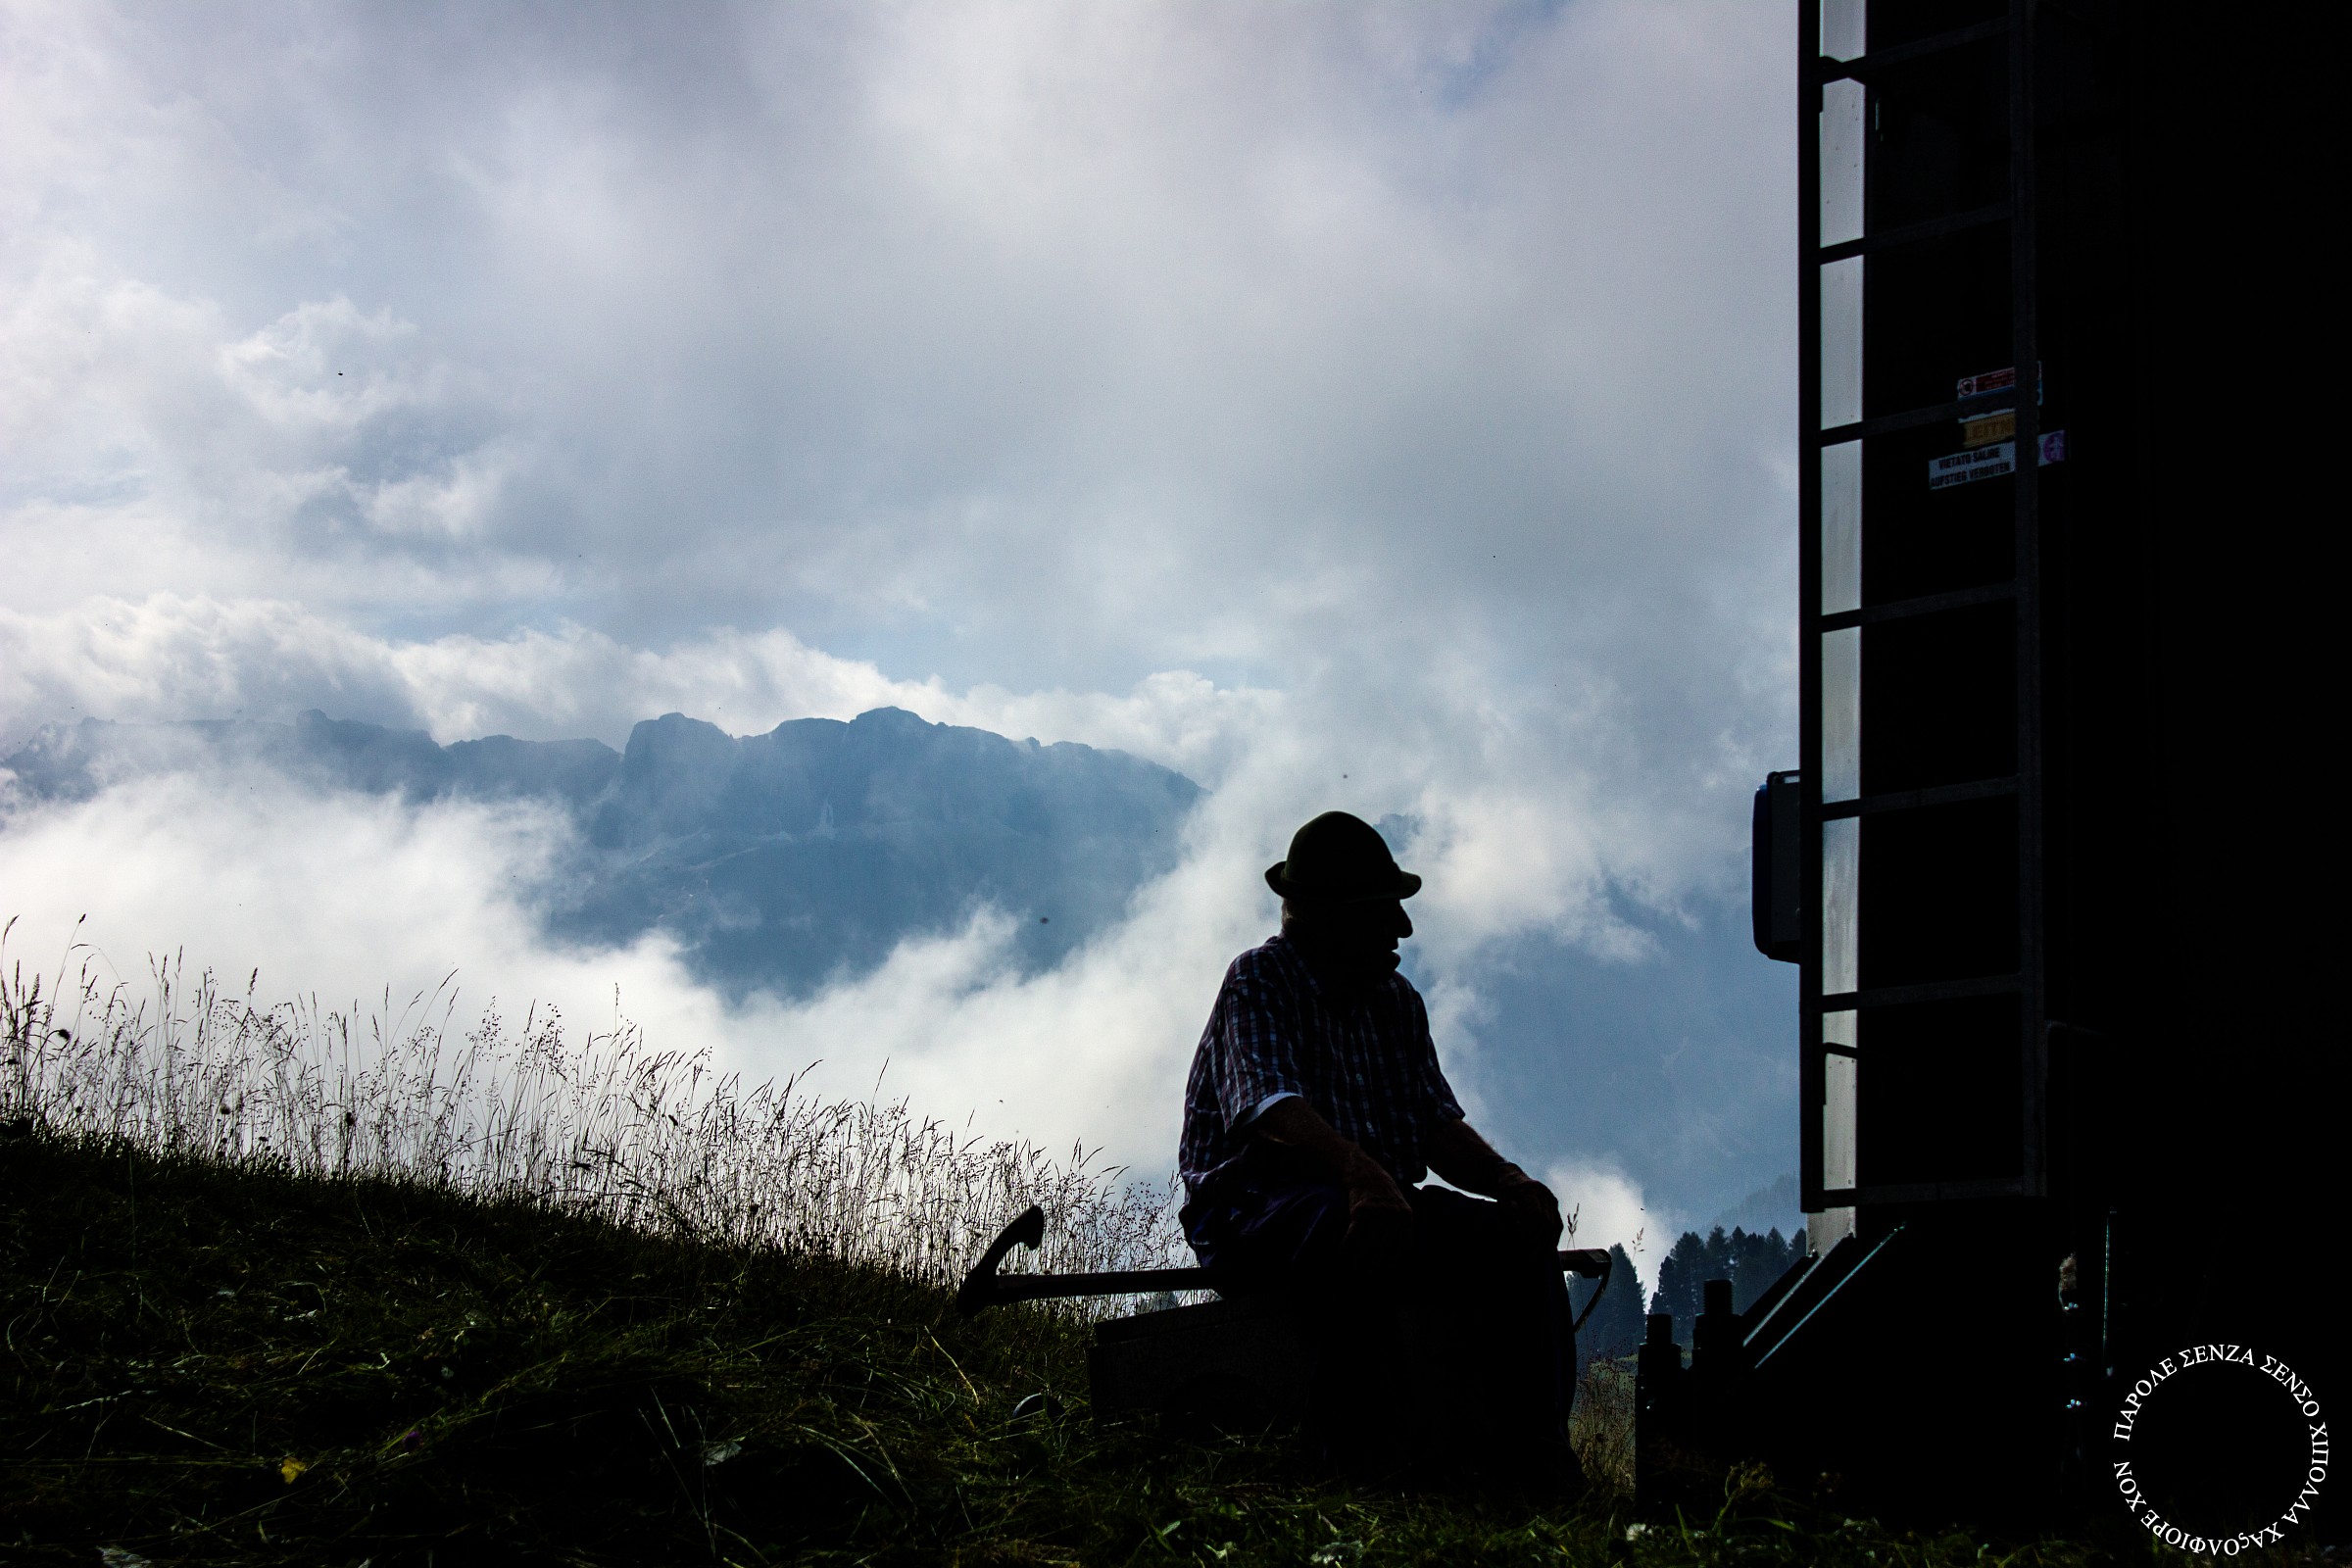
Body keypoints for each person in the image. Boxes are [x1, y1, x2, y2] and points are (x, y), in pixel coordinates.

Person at [1178, 809, 1577, 1483]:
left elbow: (1433, 1123)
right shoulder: (1260, 979)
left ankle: (1533, 1452)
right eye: (1382, 908)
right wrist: (1363, 1178)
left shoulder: (1395, 1001)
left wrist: (1511, 1184)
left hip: (1374, 1203)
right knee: (1352, 1229)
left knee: (1514, 1237)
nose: (1403, 927)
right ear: (1323, 915)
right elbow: (1266, 1106)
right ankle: (1364, 1461)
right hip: (1249, 1216)